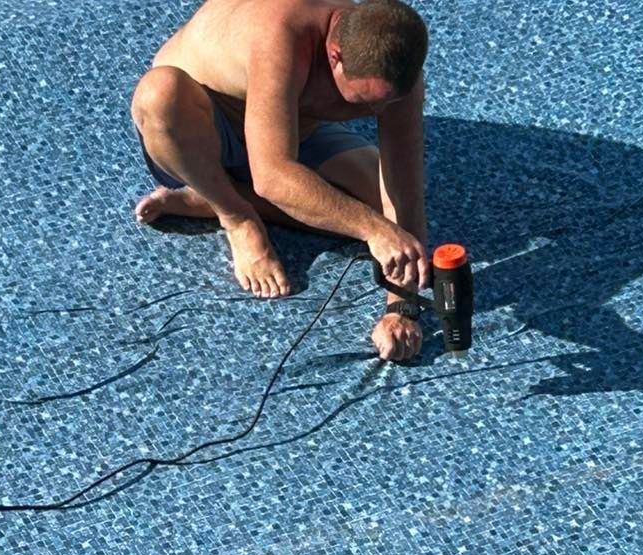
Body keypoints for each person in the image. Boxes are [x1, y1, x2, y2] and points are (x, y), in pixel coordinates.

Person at [130, 0, 430, 361]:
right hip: (202, 130)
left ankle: (201, 202)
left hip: (293, 135)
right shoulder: (281, 33)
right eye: (365, 103)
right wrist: (375, 231)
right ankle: (233, 212)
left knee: (377, 209)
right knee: (158, 95)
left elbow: (403, 187)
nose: (380, 113)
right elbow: (272, 176)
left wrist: (401, 308)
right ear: (334, 56)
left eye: (386, 103)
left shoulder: (396, 68)